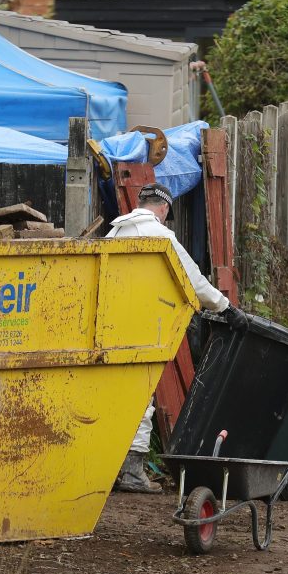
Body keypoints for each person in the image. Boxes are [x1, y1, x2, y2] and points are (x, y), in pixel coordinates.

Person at [106, 181, 248, 493]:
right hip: (141, 323)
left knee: (114, 395)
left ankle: (109, 469)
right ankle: (132, 471)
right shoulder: (161, 235)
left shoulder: (114, 233)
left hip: (109, 323)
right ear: (164, 208)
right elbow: (193, 279)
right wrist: (225, 308)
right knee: (141, 394)